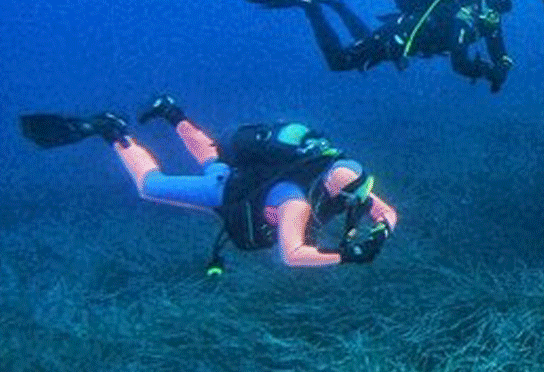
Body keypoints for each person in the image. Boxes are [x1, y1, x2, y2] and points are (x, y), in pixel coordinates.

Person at [18, 95, 399, 271]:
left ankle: (171, 112)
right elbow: (293, 254)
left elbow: (385, 210)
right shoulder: (296, 204)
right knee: (150, 186)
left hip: (239, 175)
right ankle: (113, 131)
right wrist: (347, 255)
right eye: (356, 199)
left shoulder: (338, 174)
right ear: (332, 188)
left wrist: (381, 230)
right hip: (227, 193)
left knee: (214, 158)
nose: (362, 204)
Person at [234, 0, 516, 91]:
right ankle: (312, 7)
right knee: (341, 62)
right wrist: (489, 73)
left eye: (501, 9)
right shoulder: (464, 18)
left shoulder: (484, 19)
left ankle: (336, 2)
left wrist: (502, 62)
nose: (495, 13)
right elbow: (460, 62)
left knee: (368, 40)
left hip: (400, 35)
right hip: (398, 37)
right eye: (493, 5)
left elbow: (496, 41)